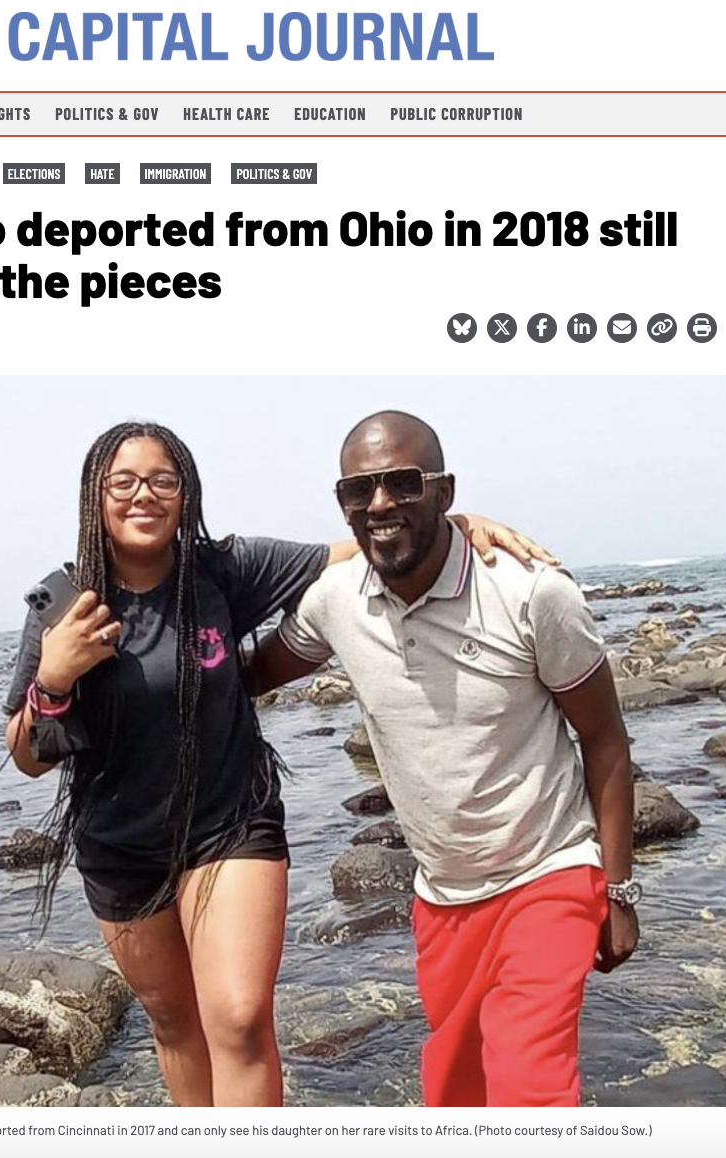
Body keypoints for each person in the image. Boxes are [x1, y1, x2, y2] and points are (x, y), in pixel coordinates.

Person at [3, 420, 554, 1108]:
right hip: (118, 847)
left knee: (235, 1017)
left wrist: (451, 522)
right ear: (96, 495)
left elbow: (354, 551)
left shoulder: (223, 570)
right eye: (124, 482)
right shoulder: (65, 603)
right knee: (176, 1024)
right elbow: (26, 756)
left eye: (162, 480)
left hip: (230, 824)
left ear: (185, 493)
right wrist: (53, 679)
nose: (144, 494)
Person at [246, 410, 637, 1108]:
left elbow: (605, 739)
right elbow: (243, 679)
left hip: (547, 873)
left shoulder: (531, 591)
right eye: (358, 491)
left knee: (530, 1087)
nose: (380, 504)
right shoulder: (335, 601)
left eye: (402, 483)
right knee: (456, 1096)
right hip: (443, 898)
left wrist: (618, 891)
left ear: (444, 490)